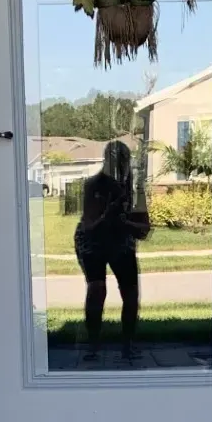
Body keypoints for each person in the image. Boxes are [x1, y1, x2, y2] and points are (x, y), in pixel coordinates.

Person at [73, 139, 151, 361]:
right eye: (114, 161)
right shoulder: (93, 185)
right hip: (92, 242)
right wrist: (111, 214)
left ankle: (127, 345)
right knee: (97, 289)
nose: (119, 167)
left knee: (131, 293)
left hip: (120, 241)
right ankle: (93, 345)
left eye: (123, 161)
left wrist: (125, 224)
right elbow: (89, 225)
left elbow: (144, 228)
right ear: (105, 161)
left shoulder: (135, 189)